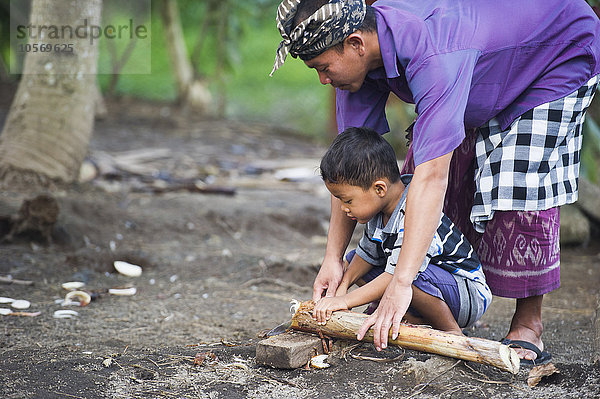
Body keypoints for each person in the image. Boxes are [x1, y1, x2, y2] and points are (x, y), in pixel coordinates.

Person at [270, 0, 600, 365]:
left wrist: (400, 284)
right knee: (417, 176)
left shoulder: (433, 51)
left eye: (323, 67)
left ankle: (528, 324)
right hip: (483, 60)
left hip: (555, 51)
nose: (323, 80)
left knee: (514, 179)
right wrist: (333, 259)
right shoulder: (361, 66)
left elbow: (430, 177)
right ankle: (435, 302)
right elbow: (350, 170)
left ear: (356, 44)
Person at [314, 126, 492, 336]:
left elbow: (399, 274)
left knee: (408, 272)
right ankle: (416, 318)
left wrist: (344, 301)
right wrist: (342, 286)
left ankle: (451, 331)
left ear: (379, 189)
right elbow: (366, 256)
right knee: (353, 260)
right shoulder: (379, 212)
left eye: (348, 200)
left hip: (467, 294)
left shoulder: (414, 211)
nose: (343, 209)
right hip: (433, 286)